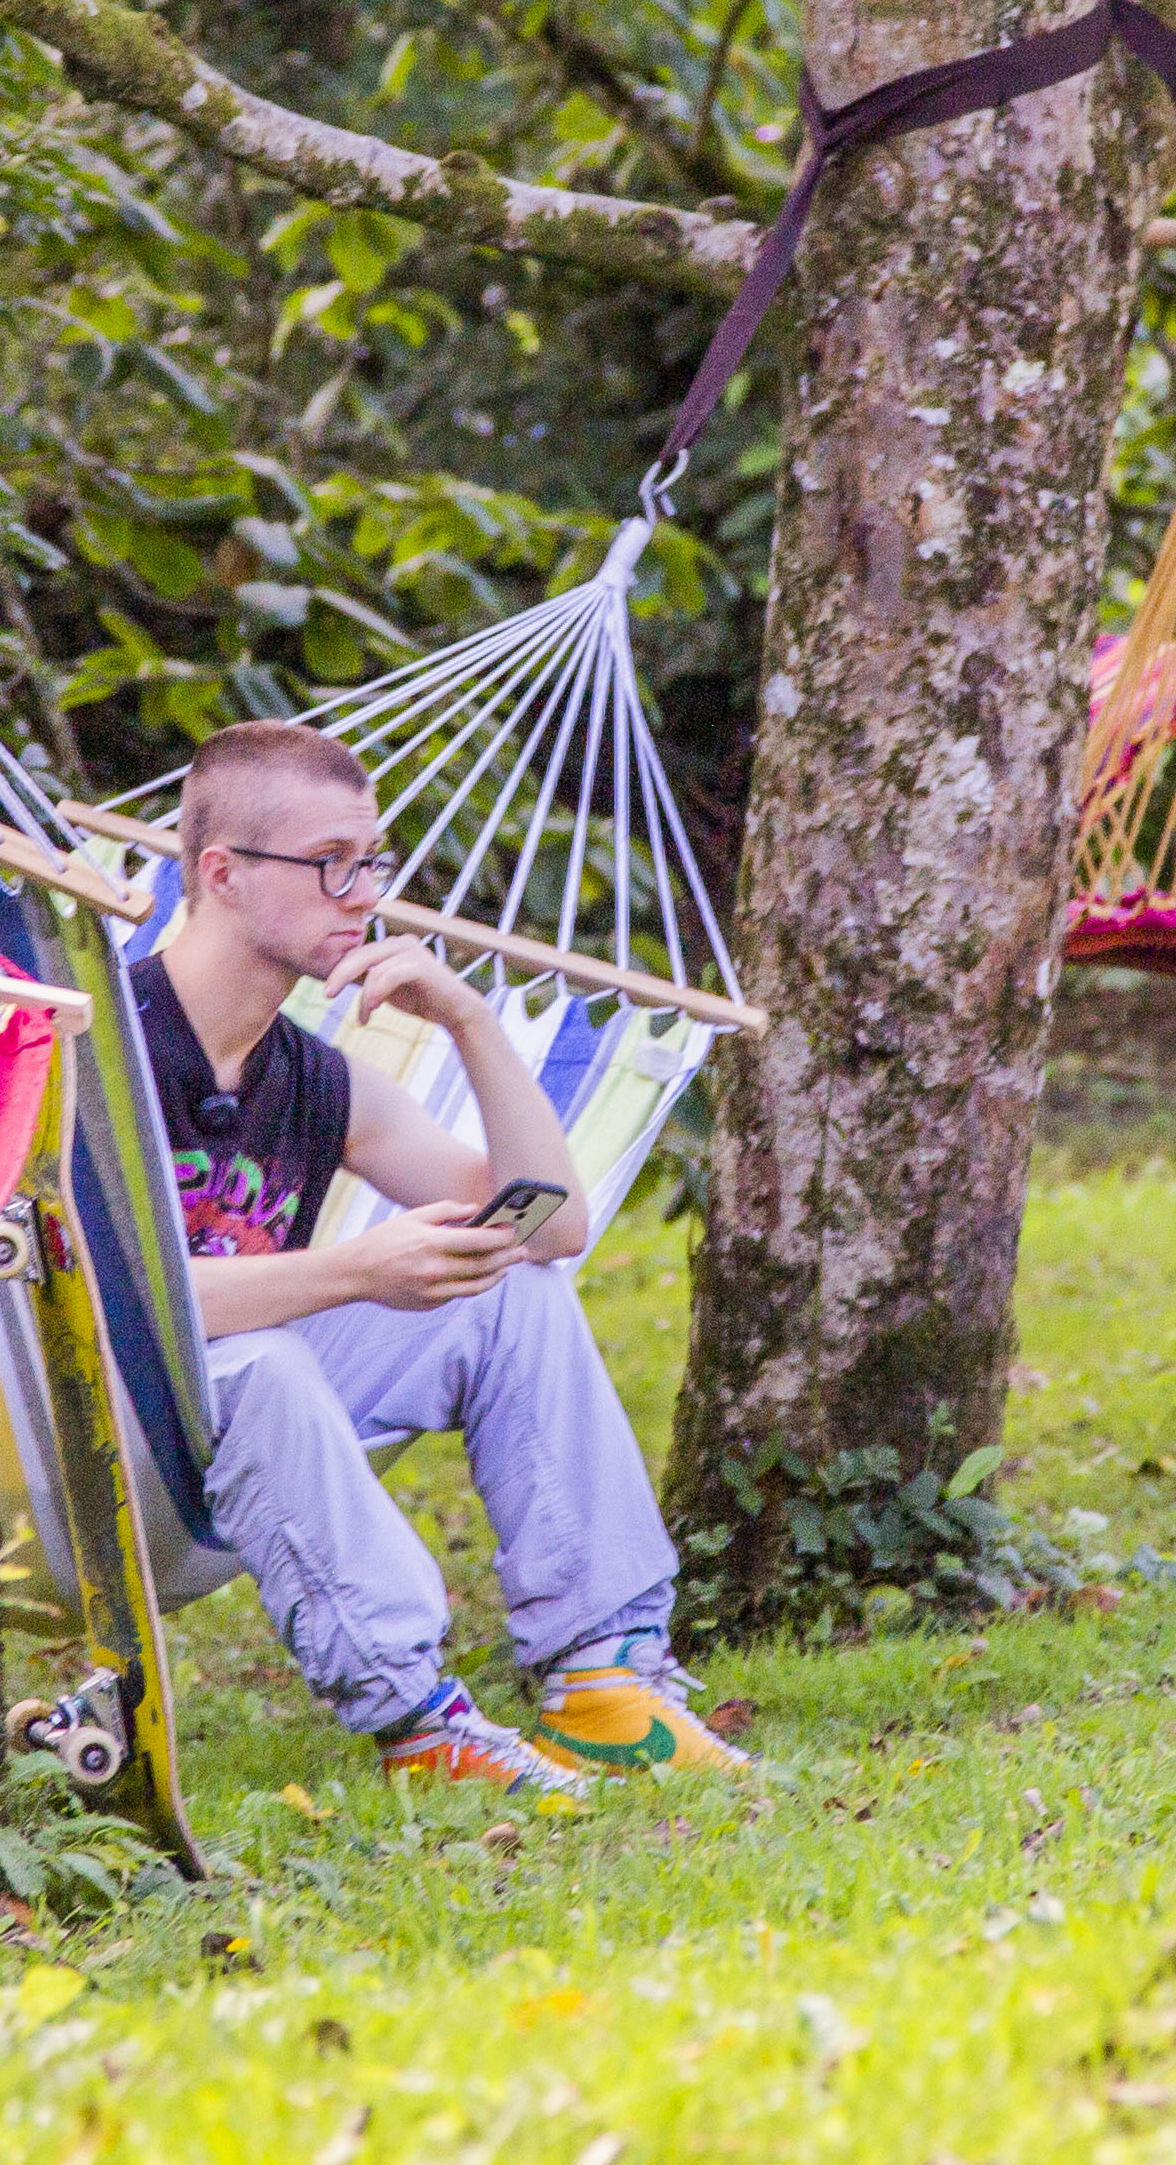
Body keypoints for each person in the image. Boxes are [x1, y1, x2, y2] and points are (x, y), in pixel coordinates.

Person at [146, 719, 752, 1791]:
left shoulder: (316, 1080)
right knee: (270, 1362)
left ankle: (604, 1678)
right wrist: (354, 1271)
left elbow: (547, 1225)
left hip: (243, 1436)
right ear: (223, 874)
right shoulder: (98, 1041)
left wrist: (470, 1020)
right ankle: (421, 1724)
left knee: (506, 1282)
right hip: (104, 1450)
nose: (362, 892)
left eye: (371, 861)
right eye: (330, 862)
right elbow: (112, 1304)